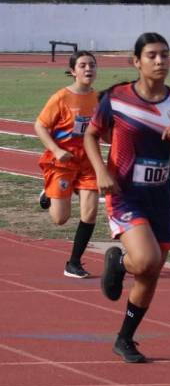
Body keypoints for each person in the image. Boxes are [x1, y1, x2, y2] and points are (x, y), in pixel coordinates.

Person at [84, 32, 170, 363]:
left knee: (151, 271)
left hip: (162, 198)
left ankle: (125, 338)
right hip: (125, 194)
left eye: (165, 55)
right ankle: (121, 261)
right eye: (152, 55)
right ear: (136, 61)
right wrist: (101, 172)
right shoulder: (118, 99)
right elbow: (91, 135)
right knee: (148, 260)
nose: (159, 61)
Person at [34, 50, 100, 278]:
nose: (88, 69)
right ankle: (48, 194)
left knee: (90, 212)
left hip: (89, 162)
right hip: (63, 162)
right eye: (82, 65)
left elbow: (105, 131)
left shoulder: (99, 99)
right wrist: (56, 150)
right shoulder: (61, 98)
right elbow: (40, 126)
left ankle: (74, 263)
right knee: (60, 219)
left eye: (91, 65)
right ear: (73, 71)